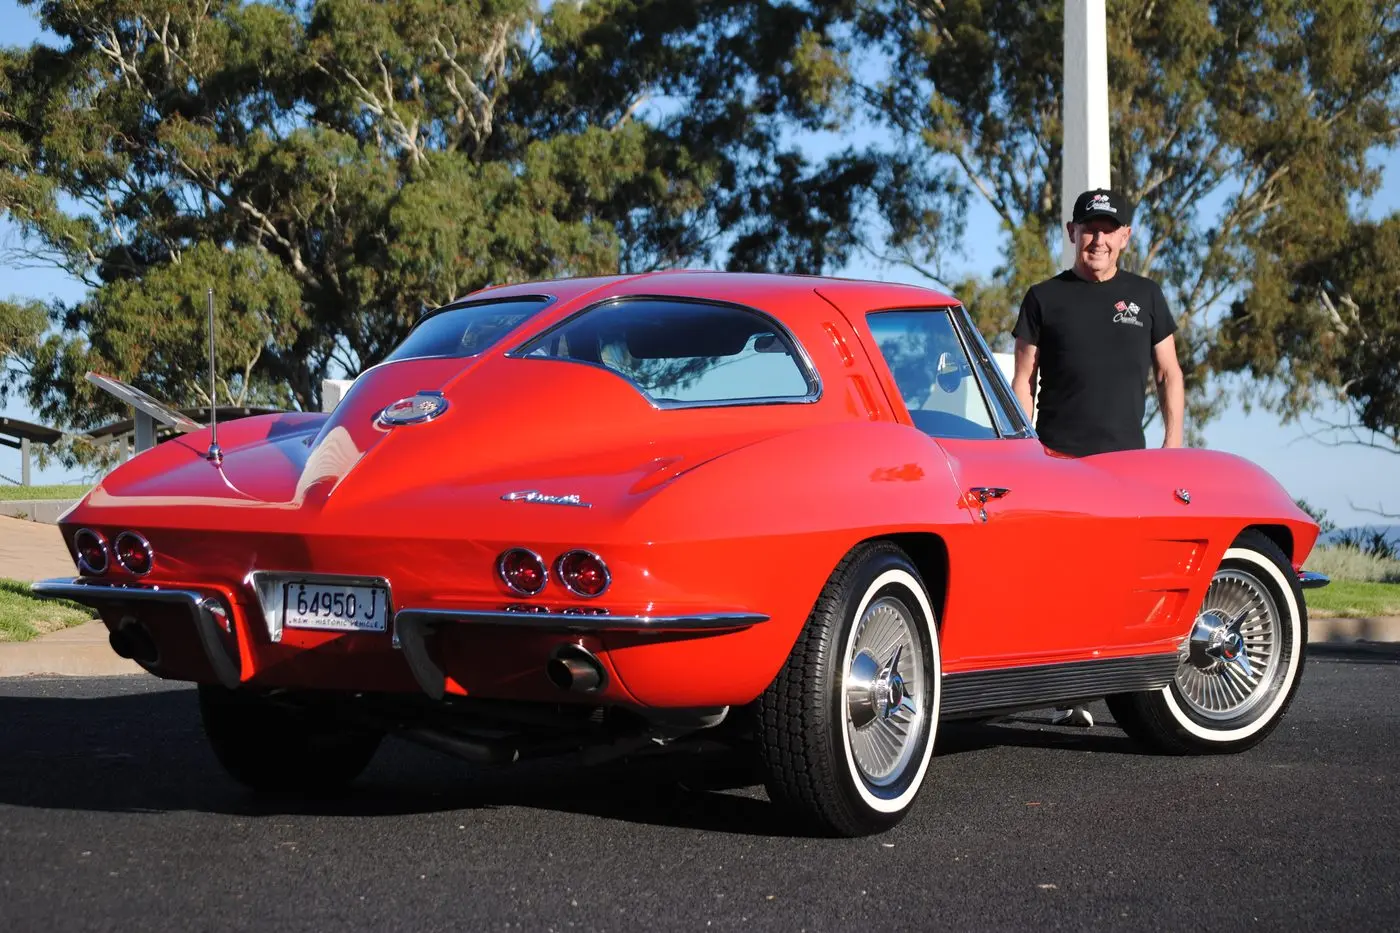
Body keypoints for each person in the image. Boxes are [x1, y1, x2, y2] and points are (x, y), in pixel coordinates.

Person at [1010, 187, 1186, 727]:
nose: (1098, 239)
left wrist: (1172, 443)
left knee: (1125, 579)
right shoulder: (1043, 298)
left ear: (1125, 237)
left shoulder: (1147, 296)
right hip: (1058, 461)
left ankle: (1133, 683)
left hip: (1129, 469)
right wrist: (1023, 452)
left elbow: (1169, 373)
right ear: (1071, 233)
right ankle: (1071, 689)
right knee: (1063, 579)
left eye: (1109, 230)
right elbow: (1023, 379)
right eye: (1088, 228)